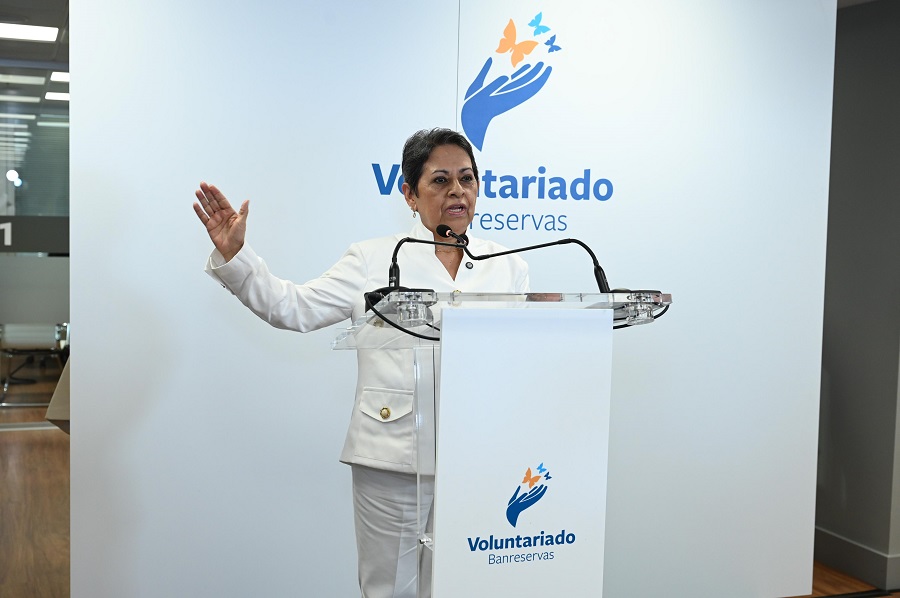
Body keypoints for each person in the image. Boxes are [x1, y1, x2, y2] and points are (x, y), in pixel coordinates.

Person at [193, 128, 530, 598]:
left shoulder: (509, 264)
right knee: (389, 589)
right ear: (410, 194)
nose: (457, 190)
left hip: (475, 455)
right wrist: (236, 256)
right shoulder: (373, 259)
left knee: (464, 585)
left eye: (467, 178)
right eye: (440, 180)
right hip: (392, 454)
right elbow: (293, 307)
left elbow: (517, 357)